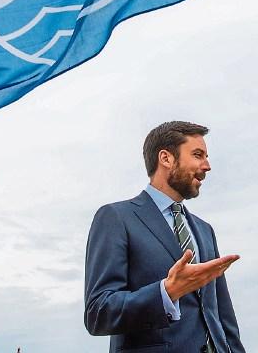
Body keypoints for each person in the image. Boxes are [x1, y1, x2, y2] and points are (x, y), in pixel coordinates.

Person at [84, 121, 245, 353]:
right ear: (166, 158)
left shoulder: (204, 230)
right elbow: (98, 312)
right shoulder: (116, 218)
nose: (207, 166)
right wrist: (167, 292)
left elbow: (223, 315)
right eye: (198, 155)